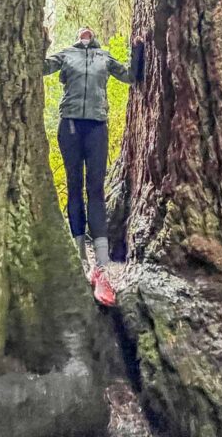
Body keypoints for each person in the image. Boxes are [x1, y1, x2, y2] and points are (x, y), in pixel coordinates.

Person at [44, 25, 144, 307]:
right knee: (74, 188)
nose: (85, 30)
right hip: (71, 125)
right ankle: (79, 261)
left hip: (97, 127)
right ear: (77, 36)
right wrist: (41, 41)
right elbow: (40, 67)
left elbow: (130, 76)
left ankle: (101, 268)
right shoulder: (67, 55)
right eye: (81, 29)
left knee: (96, 191)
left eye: (89, 29)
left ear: (93, 35)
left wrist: (138, 50)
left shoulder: (104, 56)